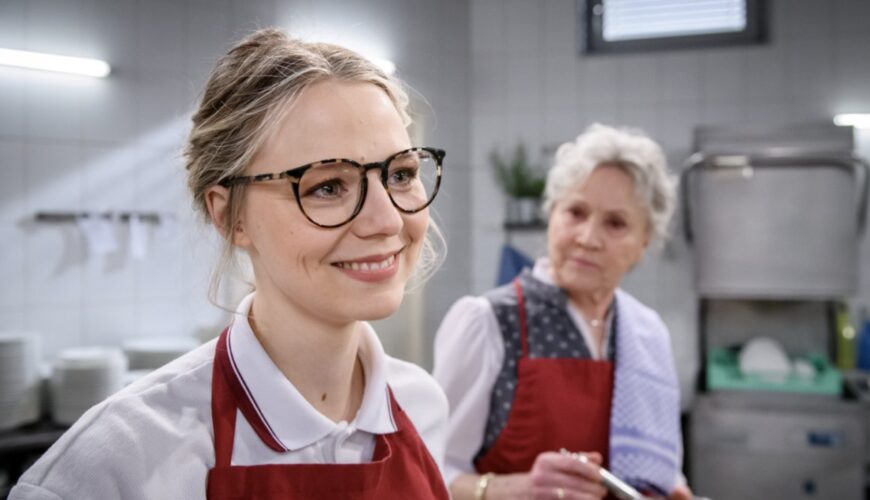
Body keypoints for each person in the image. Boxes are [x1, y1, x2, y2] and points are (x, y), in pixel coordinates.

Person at [11, 28, 450, 499]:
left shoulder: (421, 403)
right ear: (230, 216)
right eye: (327, 187)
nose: (387, 220)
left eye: (401, 174)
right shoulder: (119, 462)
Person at [433, 123, 692, 500]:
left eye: (615, 223)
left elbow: (663, 465)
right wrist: (516, 489)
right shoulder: (488, 321)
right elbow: (428, 469)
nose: (587, 238)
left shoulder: (648, 332)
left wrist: (674, 489)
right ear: (552, 214)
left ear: (644, 242)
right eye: (576, 212)